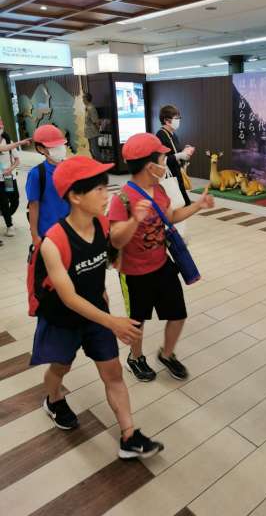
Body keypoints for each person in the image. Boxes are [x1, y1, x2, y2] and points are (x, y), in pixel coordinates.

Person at [30, 155, 163, 459]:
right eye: (99, 190)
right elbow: (68, 298)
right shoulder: (54, 242)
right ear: (75, 197)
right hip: (63, 319)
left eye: (106, 187)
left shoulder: (101, 224)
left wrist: (134, 221)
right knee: (60, 368)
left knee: (113, 372)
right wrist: (113, 321)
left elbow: (109, 258)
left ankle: (129, 436)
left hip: (96, 316)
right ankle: (53, 399)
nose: (107, 195)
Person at [108, 133, 214, 382]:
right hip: (134, 274)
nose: (165, 162)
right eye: (162, 159)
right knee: (137, 322)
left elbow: (171, 217)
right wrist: (134, 220)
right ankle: (135, 358)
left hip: (162, 265)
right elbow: (116, 240)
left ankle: (166, 354)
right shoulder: (122, 199)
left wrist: (197, 206)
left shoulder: (159, 190)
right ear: (150, 166)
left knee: (177, 314)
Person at [26, 124, 70, 245]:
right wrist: (35, 235)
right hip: (48, 232)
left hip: (70, 229)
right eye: (54, 146)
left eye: (61, 145)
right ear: (41, 149)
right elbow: (33, 206)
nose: (60, 149)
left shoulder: (70, 169)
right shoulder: (36, 174)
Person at [156, 104, 194, 206]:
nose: (178, 121)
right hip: (169, 176)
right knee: (176, 204)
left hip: (177, 173)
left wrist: (185, 153)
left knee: (182, 202)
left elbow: (175, 153)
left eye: (179, 118)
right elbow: (161, 160)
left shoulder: (173, 134)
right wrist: (180, 155)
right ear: (167, 120)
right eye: (176, 118)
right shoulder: (160, 135)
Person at [0, 121, 21, 237]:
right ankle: (9, 225)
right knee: (3, 202)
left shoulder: (8, 141)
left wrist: (10, 169)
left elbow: (17, 160)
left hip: (8, 177)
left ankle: (6, 214)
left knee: (14, 200)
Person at [83, 93, 101, 160]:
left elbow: (95, 121)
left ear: (86, 99)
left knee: (95, 149)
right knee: (91, 149)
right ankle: (94, 163)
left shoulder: (91, 108)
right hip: (89, 133)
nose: (82, 100)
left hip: (93, 132)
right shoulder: (87, 107)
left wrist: (98, 129)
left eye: (83, 98)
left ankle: (99, 163)